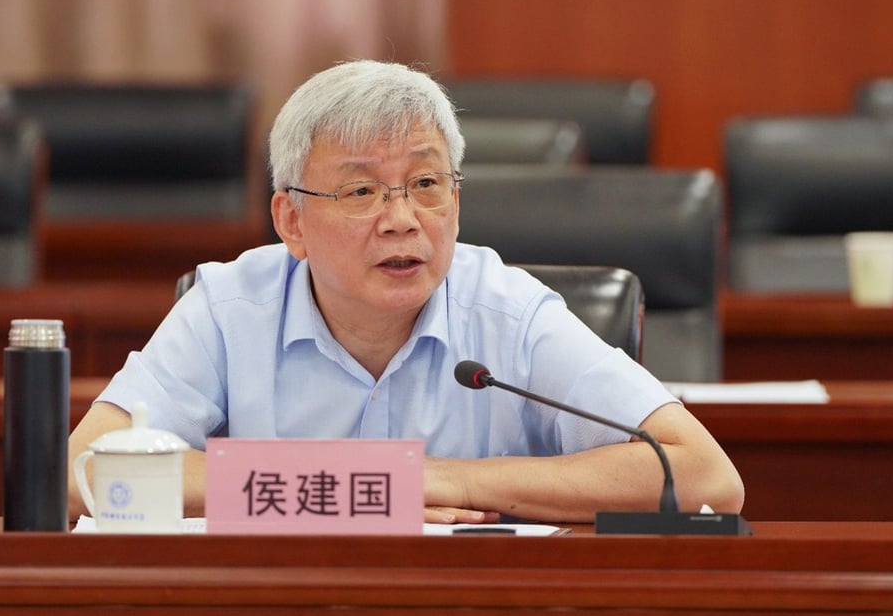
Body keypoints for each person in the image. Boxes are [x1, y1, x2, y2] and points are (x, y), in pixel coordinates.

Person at [67, 59, 744, 524]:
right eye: (361, 190)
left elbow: (705, 475)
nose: (402, 218)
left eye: (426, 184)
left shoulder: (509, 313)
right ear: (291, 221)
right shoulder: (228, 307)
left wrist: (454, 480)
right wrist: (368, 488)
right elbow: (81, 470)